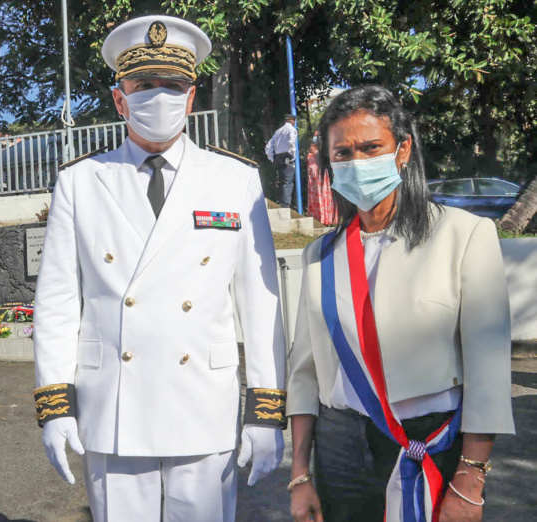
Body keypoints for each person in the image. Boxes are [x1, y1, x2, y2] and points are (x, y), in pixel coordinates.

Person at [32, 14, 287, 522]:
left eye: (171, 85)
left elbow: (260, 304)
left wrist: (266, 409)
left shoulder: (235, 179)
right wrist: (55, 403)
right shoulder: (82, 182)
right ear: (119, 98)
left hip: (203, 402)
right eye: (143, 85)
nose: (158, 96)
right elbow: (58, 302)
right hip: (114, 406)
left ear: (191, 97)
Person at [287, 86, 514, 522]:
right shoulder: (320, 255)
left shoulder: (462, 236)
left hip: (427, 443)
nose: (357, 163)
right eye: (343, 153)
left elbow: (488, 370)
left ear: (403, 149)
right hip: (340, 451)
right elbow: (304, 371)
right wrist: (300, 475)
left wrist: (471, 480)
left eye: (371, 148)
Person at [265, 113, 298, 207]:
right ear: (292, 121)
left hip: (278, 157)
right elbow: (291, 142)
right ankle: (285, 205)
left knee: (281, 181)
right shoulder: (292, 129)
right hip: (287, 156)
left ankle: (281, 202)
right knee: (288, 182)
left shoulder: (278, 131)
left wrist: (273, 158)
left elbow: (268, 147)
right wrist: (292, 156)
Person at [305, 131, 336, 225]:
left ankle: (322, 217)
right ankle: (319, 216)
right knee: (318, 194)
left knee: (320, 194)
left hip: (318, 175)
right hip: (315, 175)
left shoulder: (318, 152)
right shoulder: (315, 152)